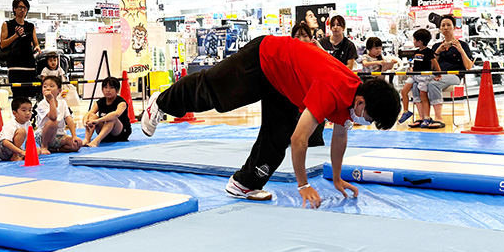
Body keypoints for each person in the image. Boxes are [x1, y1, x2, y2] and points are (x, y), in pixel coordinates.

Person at [141, 35, 400, 208]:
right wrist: (304, 185)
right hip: (265, 57)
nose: (365, 122)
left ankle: (244, 184)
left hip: (286, 85)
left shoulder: (352, 101)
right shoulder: (332, 91)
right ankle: (162, 102)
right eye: (370, 118)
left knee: (277, 136)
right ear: (361, 103)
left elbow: (341, 136)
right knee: (215, 94)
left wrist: (336, 178)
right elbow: (300, 141)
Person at [411, 15, 474, 129]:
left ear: (454, 27)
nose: (445, 28)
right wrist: (438, 51)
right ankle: (423, 117)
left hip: (454, 75)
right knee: (415, 85)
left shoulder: (463, 45)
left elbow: (469, 66)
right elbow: (430, 65)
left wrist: (460, 49)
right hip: (436, 74)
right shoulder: (435, 46)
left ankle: (438, 118)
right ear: (439, 28)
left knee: (433, 84)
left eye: (448, 25)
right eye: (443, 25)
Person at [0, 0, 41, 98]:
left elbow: (36, 43)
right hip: (15, 65)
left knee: (29, 94)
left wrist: (37, 47)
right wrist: (15, 35)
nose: (23, 10)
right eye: (20, 7)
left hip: (29, 65)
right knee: (18, 95)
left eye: (25, 8)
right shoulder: (8, 24)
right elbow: (3, 44)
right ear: (14, 9)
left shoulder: (30, 26)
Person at [291, 23, 325, 146]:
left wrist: (320, 48)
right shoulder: (289, 55)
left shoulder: (318, 53)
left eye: (305, 36)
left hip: (313, 105)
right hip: (293, 106)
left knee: (313, 142)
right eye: (297, 36)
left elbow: (330, 64)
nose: (301, 39)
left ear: (311, 38)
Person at [398, 29, 440, 126]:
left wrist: (439, 73)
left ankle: (427, 117)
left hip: (424, 76)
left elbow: (435, 63)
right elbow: (417, 63)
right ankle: (405, 111)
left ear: (419, 42)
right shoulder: (416, 52)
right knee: (404, 91)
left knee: (423, 96)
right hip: (415, 75)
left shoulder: (428, 52)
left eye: (414, 40)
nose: (413, 42)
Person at [35, 76, 82, 154]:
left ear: (59, 90)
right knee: (53, 122)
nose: (47, 88)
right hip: (43, 136)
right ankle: (44, 146)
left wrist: (74, 136)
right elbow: (53, 117)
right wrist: (51, 100)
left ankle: (55, 149)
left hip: (59, 135)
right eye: (45, 86)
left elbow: (69, 119)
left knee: (76, 145)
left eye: (51, 86)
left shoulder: (62, 102)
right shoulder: (42, 104)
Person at [82, 76, 132, 147]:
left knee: (111, 118)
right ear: (102, 90)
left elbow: (116, 114)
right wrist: (85, 122)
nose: (108, 90)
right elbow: (89, 113)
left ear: (117, 90)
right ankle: (87, 139)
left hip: (119, 133)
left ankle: (96, 141)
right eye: (105, 87)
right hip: (104, 133)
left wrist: (99, 120)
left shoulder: (121, 102)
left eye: (111, 87)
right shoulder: (100, 102)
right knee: (92, 116)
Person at [0, 97, 34, 161]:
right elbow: (5, 142)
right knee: (22, 131)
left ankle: (19, 155)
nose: (27, 113)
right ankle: (15, 155)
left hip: (15, 148)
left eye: (30, 110)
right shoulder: (12, 124)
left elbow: (29, 140)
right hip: (2, 148)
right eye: (24, 110)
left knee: (37, 151)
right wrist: (21, 152)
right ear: (14, 113)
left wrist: (28, 152)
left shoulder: (28, 123)